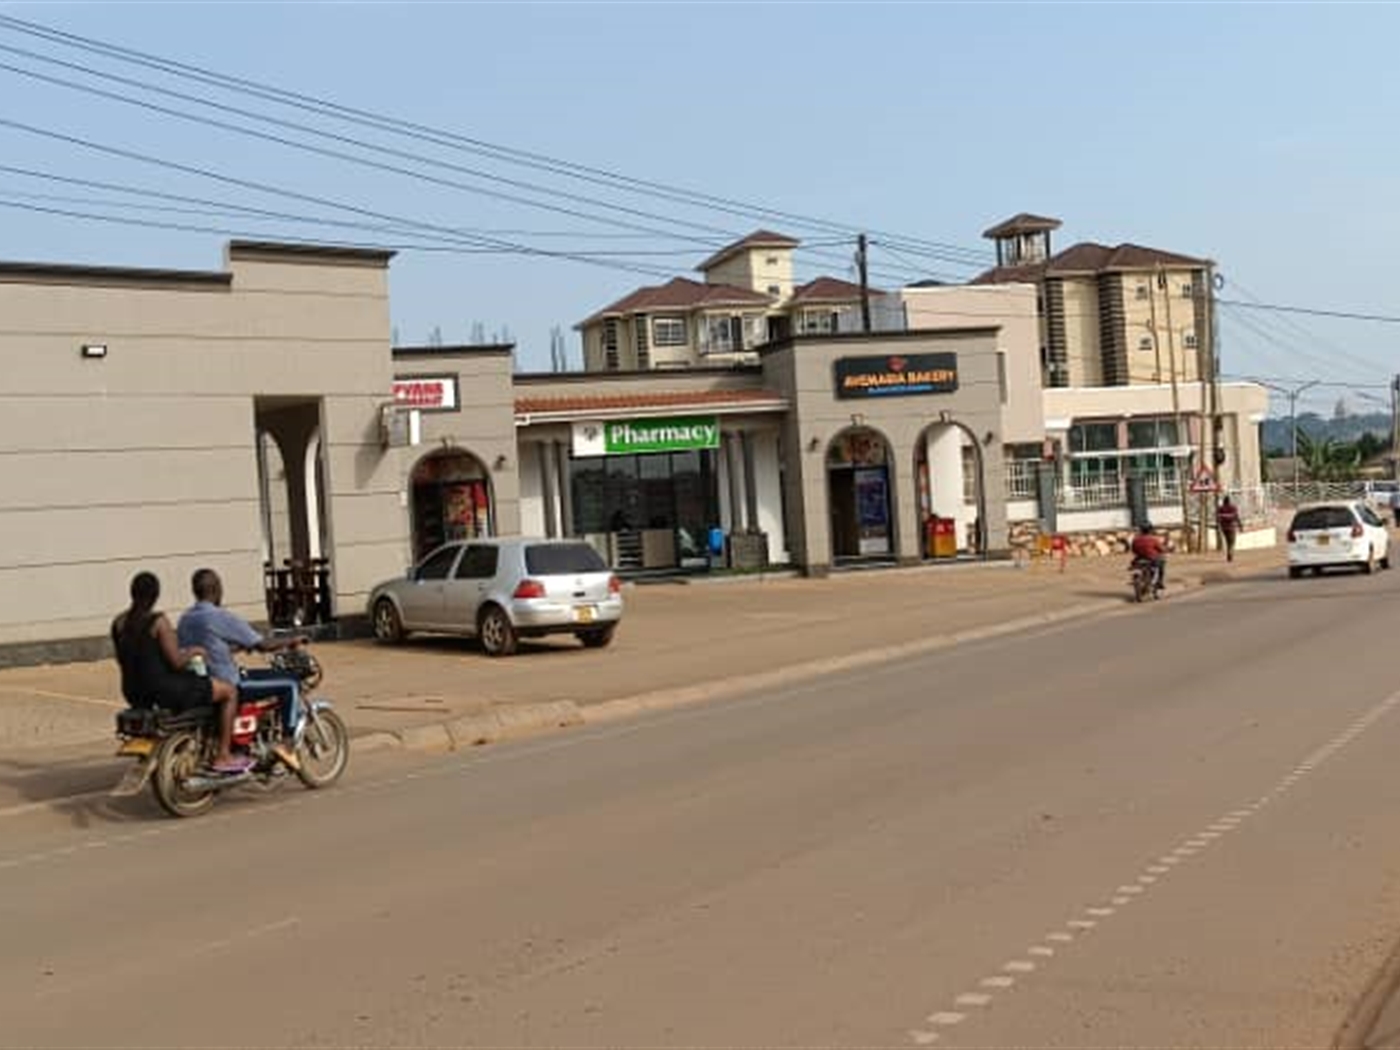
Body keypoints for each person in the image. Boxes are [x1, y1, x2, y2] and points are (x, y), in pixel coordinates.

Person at [111, 571, 249, 774]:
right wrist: (195, 651)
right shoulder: (158, 622)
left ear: (132, 593)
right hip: (163, 688)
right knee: (229, 692)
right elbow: (177, 661)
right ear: (156, 595)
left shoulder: (119, 623)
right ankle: (224, 754)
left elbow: (122, 659)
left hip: (133, 691)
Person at [177, 569, 307, 764]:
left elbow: (209, 647)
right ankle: (287, 745)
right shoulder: (219, 616)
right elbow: (263, 645)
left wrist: (237, 647)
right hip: (227, 681)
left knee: (261, 677)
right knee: (290, 683)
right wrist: (291, 640)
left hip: (201, 681)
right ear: (216, 589)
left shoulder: (185, 619)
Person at [1130, 523, 1167, 592]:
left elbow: (1133, 550)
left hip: (1139, 558)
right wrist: (1164, 550)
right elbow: (1161, 549)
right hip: (1152, 558)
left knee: (1134, 565)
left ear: (1141, 530)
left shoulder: (1135, 540)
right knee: (1162, 562)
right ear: (1150, 530)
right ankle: (1160, 582)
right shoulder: (1153, 539)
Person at [1216, 496, 1241, 563]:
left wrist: (1218, 525)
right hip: (1231, 527)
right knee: (1232, 541)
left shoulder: (1220, 509)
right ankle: (1230, 553)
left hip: (1224, 527)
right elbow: (1236, 517)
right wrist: (1240, 525)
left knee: (1227, 541)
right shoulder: (1233, 508)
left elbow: (1218, 518)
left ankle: (1229, 552)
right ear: (1229, 501)